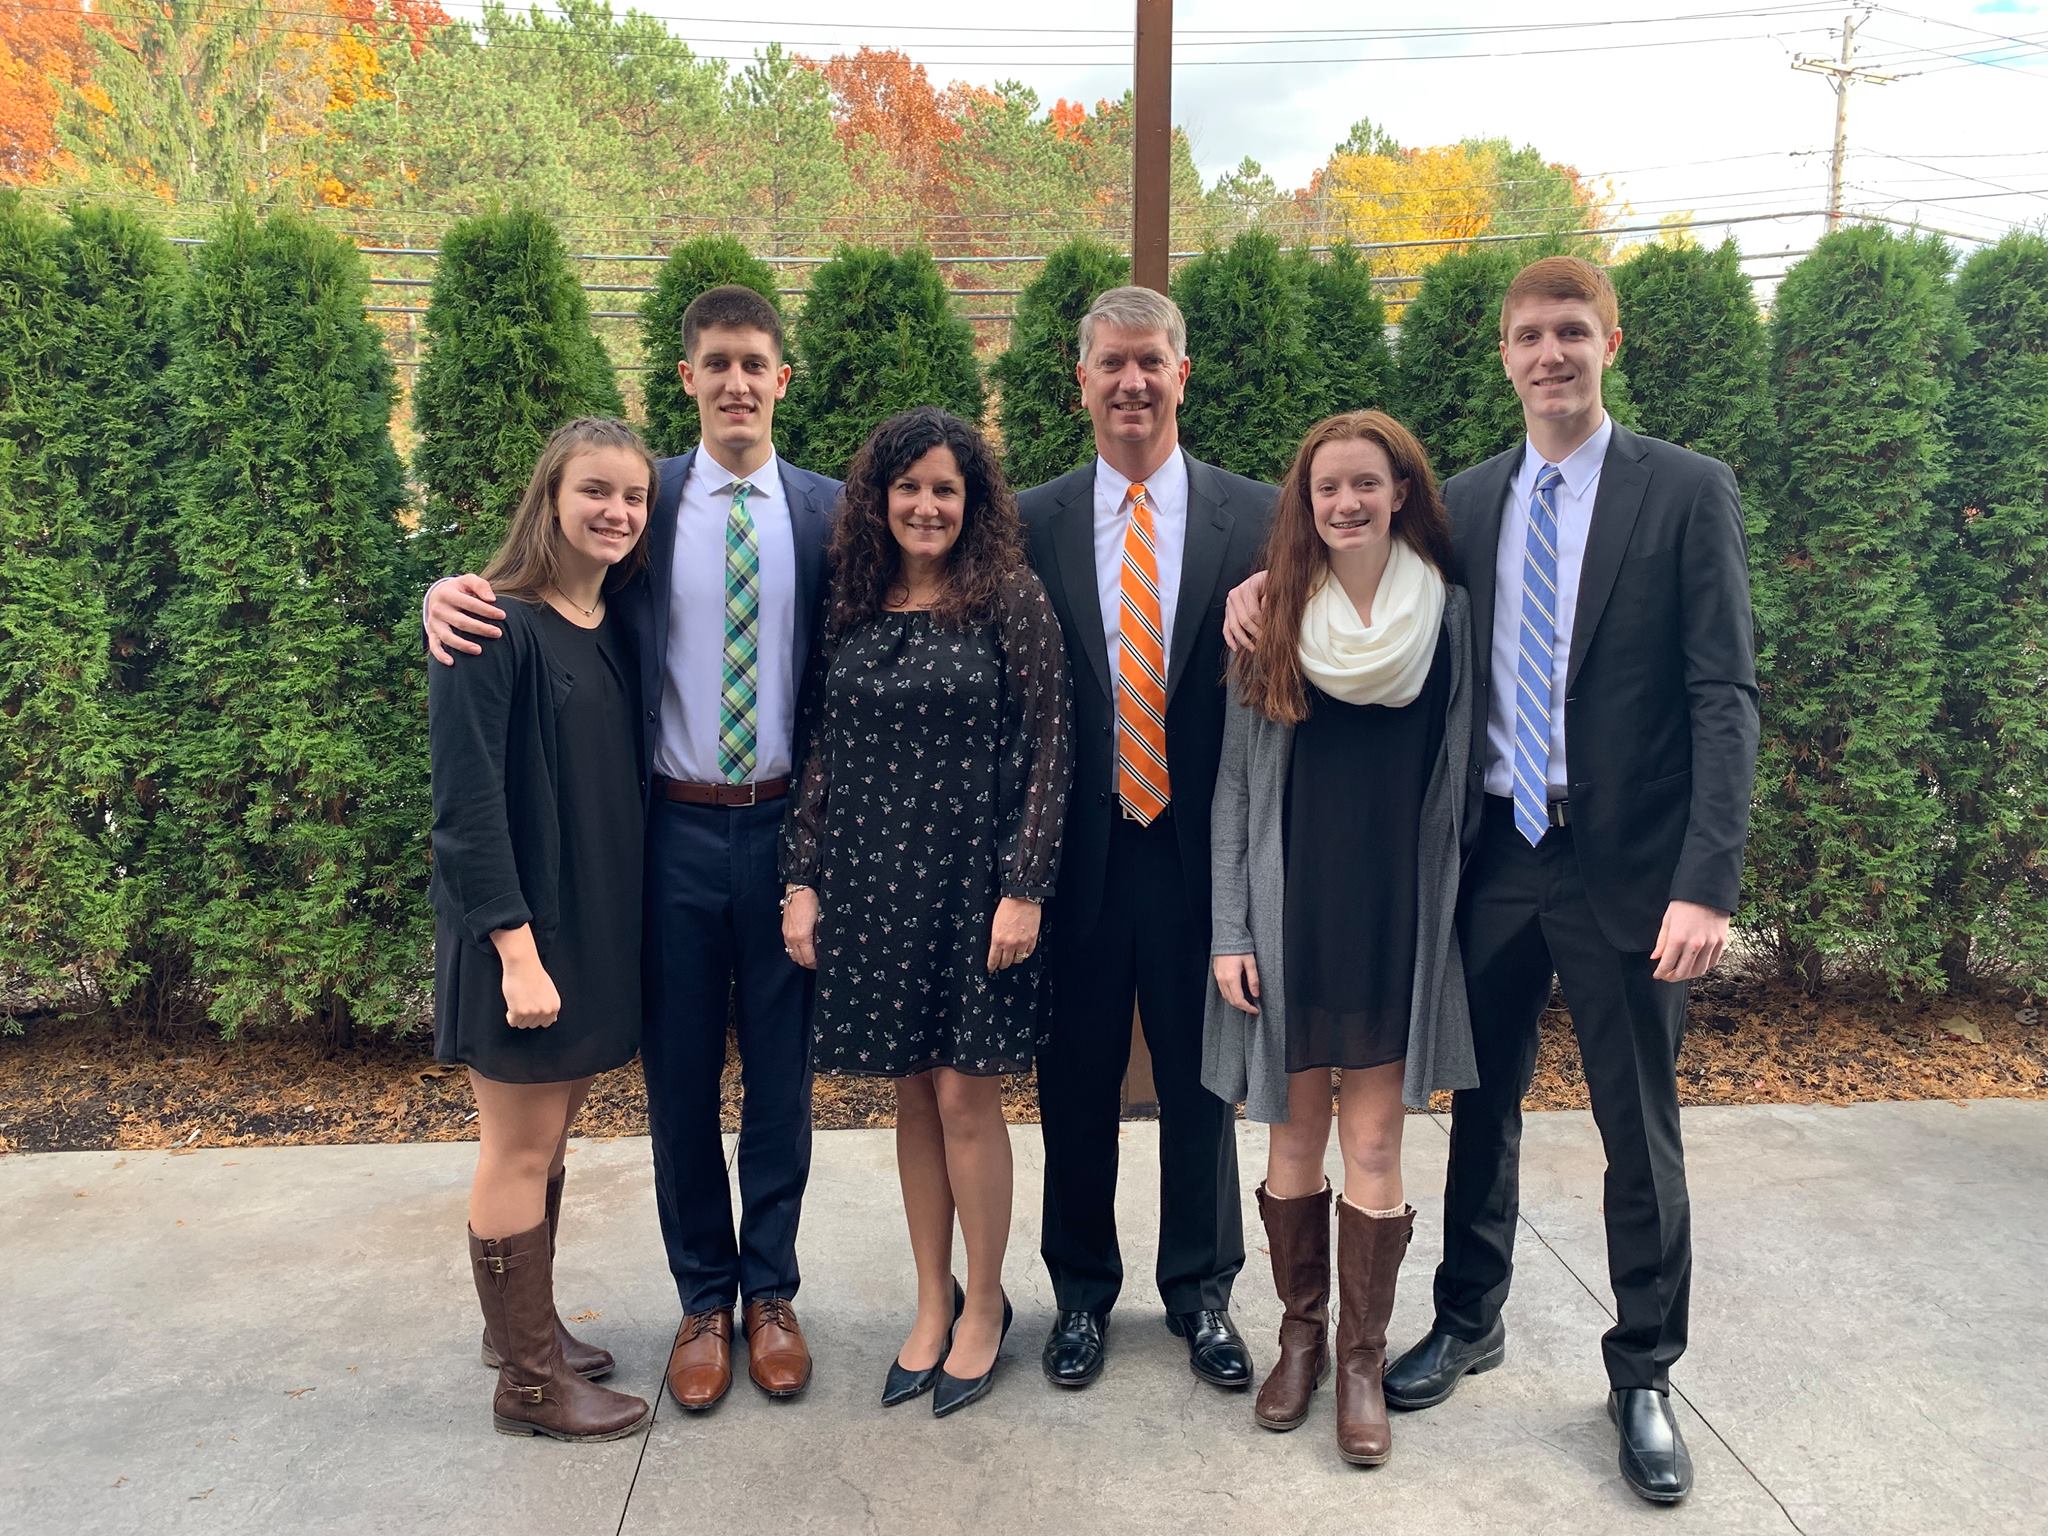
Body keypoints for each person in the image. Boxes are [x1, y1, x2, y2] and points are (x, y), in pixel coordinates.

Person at [1225, 256, 1758, 1503]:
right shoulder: (1466, 502)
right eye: (1527, 336)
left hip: (1623, 865)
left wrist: (1707, 880)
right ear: (1505, 355)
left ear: (1607, 344)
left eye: (1570, 331)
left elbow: (1722, 697)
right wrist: (1258, 580)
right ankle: (1467, 1317)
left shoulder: (1683, 493)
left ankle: (1641, 1372)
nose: (1548, 354)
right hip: (1493, 859)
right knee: (1483, 1108)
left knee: (1638, 1127)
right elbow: (1346, 565)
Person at [425, 286, 842, 1414]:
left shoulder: (830, 513)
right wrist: (443, 592)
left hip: (782, 830)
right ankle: (702, 1300)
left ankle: (771, 1297)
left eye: (756, 363)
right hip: (667, 832)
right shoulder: (642, 499)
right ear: (687, 377)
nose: (737, 382)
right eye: (716, 363)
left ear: (781, 378)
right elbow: (538, 592)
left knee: (780, 1082)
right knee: (678, 1085)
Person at [780, 407, 1072, 1417]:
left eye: (946, 488)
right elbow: (816, 746)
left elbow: (1050, 750)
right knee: (908, 1094)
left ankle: (984, 1304)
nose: (926, 505)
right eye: (908, 487)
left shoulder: (1010, 599)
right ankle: (928, 1298)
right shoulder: (851, 602)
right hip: (872, 886)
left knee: (964, 1098)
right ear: (880, 499)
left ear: (972, 501)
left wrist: (1024, 887)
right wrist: (802, 876)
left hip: (975, 889)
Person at [1204, 410, 1478, 1467]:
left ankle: (1361, 1361)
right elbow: (1232, 785)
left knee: (1372, 1142)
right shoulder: (1269, 615)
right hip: (1286, 914)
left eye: (1366, 483)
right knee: (1288, 1138)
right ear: (1305, 502)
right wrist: (1229, 927)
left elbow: (1461, 784)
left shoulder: (1446, 619)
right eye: (1327, 488)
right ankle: (1301, 1340)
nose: (1347, 502)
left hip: (1393, 921)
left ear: (1399, 491)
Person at [1018, 286, 1275, 1393]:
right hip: (1073, 856)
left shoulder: (1258, 519)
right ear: (1080, 381)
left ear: (1182, 373)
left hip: (1193, 850)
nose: (1131, 383)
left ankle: (1201, 1290)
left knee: (1199, 1081)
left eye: (1150, 362)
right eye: (1110, 364)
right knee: (1071, 1081)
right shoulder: (1026, 523)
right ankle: (1079, 1294)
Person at [428, 416, 657, 1443]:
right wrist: (513, 950)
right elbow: (466, 807)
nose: (615, 512)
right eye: (594, 493)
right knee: (516, 1150)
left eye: (632, 498)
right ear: (548, 501)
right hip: (518, 938)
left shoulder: (608, 622)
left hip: (584, 930)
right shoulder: (491, 625)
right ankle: (525, 1382)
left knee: (546, 1143)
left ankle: (527, 1331)